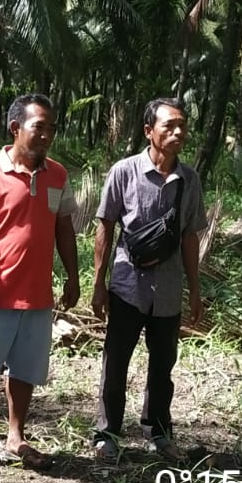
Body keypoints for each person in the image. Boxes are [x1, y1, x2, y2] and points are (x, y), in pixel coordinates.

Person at [0, 94, 79, 474]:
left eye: (51, 128)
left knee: (25, 370)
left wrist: (72, 277)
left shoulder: (57, 175)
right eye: (39, 127)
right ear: (15, 128)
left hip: (37, 296)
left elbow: (64, 229)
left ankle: (15, 436)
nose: (47, 135)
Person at [90, 97, 207, 461]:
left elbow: (190, 237)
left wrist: (195, 291)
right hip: (128, 285)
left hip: (169, 291)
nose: (177, 132)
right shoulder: (124, 172)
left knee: (163, 365)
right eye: (169, 125)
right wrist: (98, 283)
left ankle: (158, 432)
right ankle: (106, 433)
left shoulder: (189, 180)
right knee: (116, 361)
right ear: (148, 131)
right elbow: (105, 227)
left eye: (182, 126)